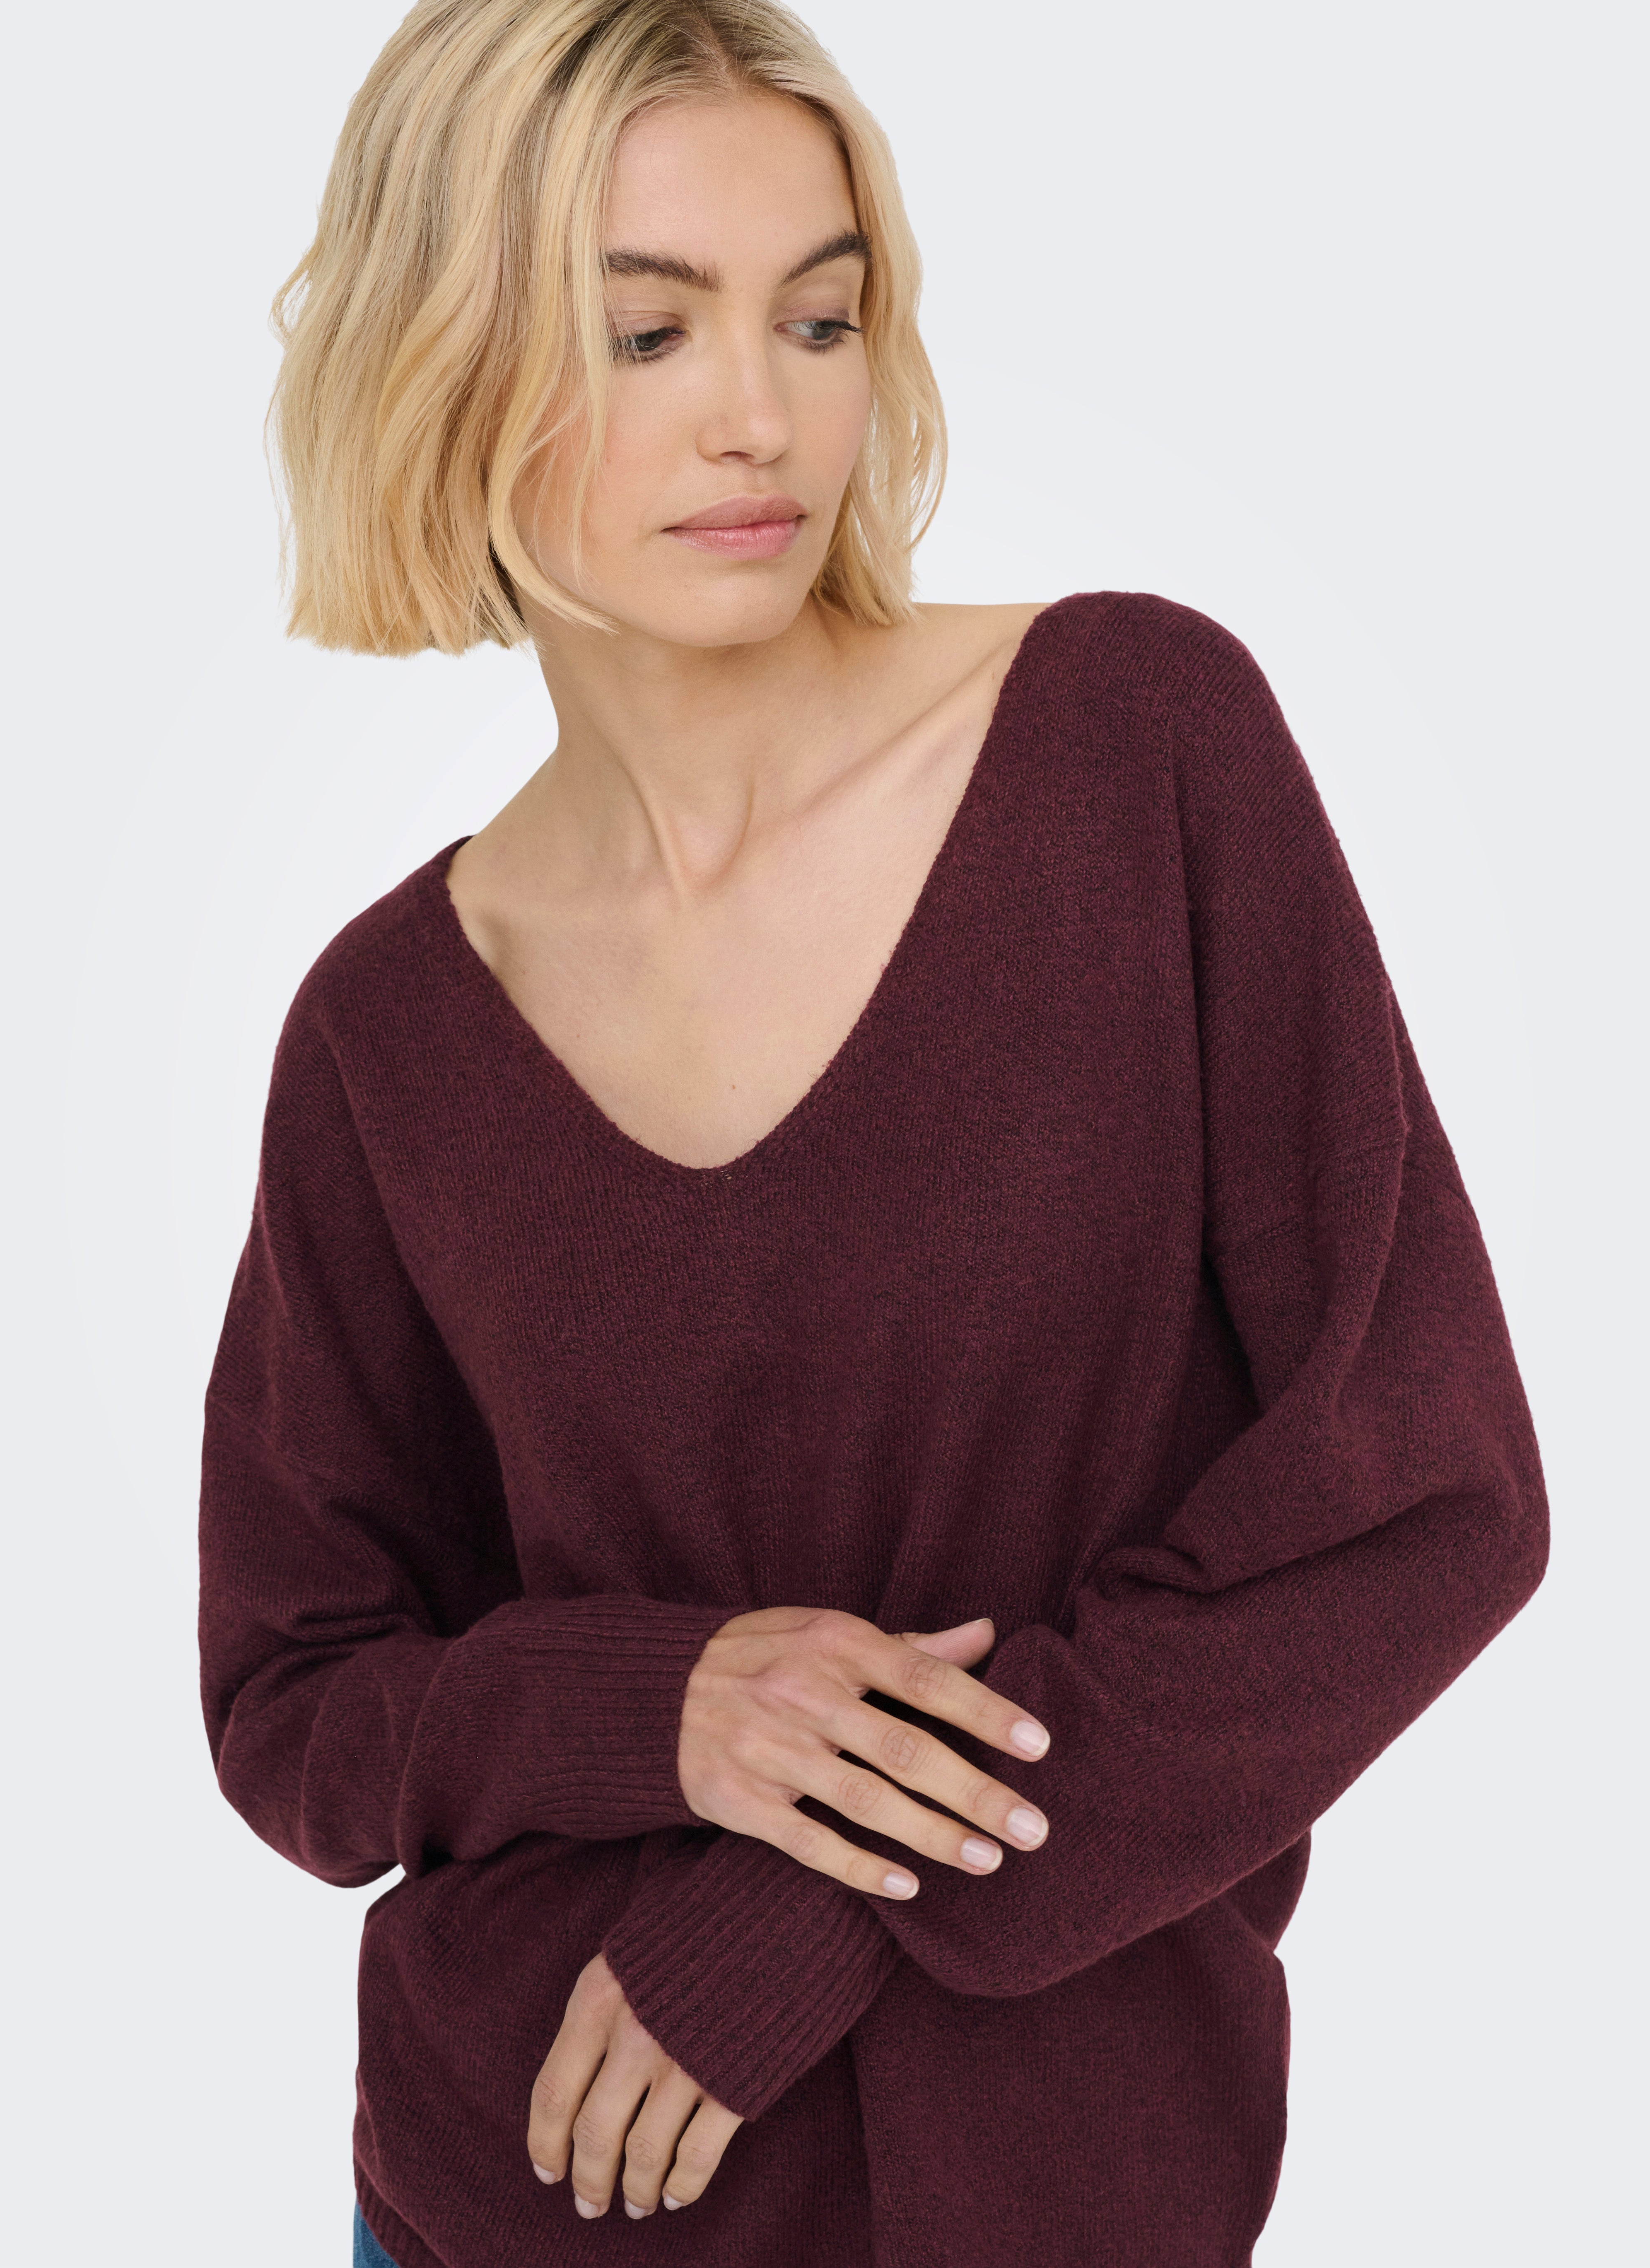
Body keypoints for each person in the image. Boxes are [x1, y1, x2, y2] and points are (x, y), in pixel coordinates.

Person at [195, 1, 1550, 2262]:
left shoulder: (1133, 750)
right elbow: (298, 1698)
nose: (761, 414)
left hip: (1058, 2197)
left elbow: (1419, 1499)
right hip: (500, 2199)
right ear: (443, 363)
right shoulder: (390, 1030)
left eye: (819, 317)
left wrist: (827, 1896)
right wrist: (667, 1708)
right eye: (645, 331)